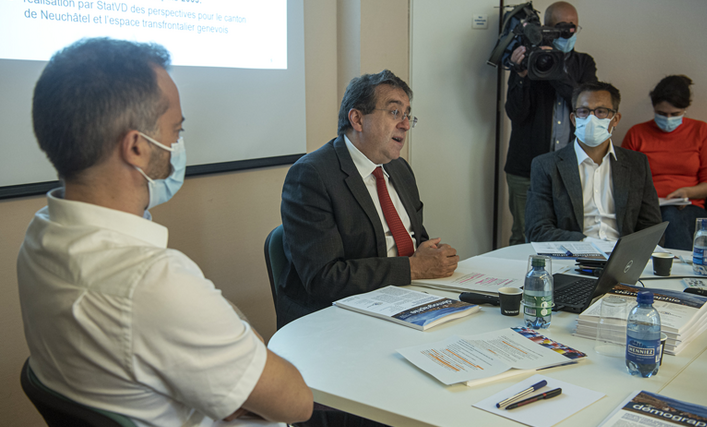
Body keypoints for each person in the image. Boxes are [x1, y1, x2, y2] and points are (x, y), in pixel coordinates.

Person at [17, 38, 313, 427]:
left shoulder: (40, 238)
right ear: (136, 147)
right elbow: (295, 403)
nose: (178, 144)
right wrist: (242, 349)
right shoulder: (155, 284)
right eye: (177, 129)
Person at [278, 70, 459, 329]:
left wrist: (433, 256)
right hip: (336, 318)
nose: (406, 125)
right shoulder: (312, 175)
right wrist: (413, 268)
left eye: (408, 115)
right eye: (395, 112)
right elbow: (324, 279)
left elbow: (416, 242)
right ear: (357, 119)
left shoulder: (400, 169)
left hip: (406, 300)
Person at [504, 1, 597, 245]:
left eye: (573, 27)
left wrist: (553, 67)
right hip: (526, 168)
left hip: (570, 169)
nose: (567, 33)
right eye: (560, 27)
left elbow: (584, 104)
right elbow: (516, 113)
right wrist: (521, 75)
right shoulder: (528, 60)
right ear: (545, 27)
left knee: (568, 236)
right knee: (524, 236)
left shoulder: (584, 64)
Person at [525, 81, 662, 242]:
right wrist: (588, 244)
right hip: (572, 256)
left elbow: (652, 227)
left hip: (622, 258)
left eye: (601, 111)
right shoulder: (546, 166)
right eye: (583, 111)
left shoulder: (637, 163)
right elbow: (538, 230)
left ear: (615, 119)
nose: (591, 118)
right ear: (574, 119)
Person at [622, 75, 707, 250]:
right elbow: (624, 178)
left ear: (685, 108)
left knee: (672, 217)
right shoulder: (637, 133)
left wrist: (687, 192)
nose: (668, 119)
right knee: (658, 218)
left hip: (689, 207)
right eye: (661, 113)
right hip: (647, 206)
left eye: (675, 114)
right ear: (653, 108)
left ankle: (675, 267)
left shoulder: (701, 131)